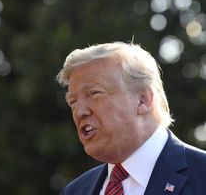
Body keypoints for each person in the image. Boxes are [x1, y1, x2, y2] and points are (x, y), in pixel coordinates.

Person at [56, 42, 206, 195]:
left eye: (94, 93)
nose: (80, 111)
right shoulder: (74, 191)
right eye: (73, 101)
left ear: (143, 99)